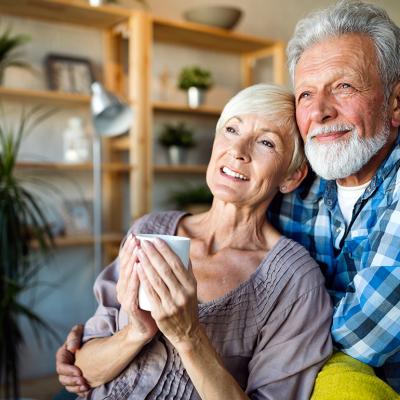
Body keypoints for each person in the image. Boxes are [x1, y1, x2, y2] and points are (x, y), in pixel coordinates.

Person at [56, 84, 332, 399]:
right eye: (231, 130)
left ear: (291, 176)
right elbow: (83, 372)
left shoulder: (296, 282)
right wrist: (136, 332)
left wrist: (189, 336)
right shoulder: (150, 229)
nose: (238, 150)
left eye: (266, 142)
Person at [268, 0, 400, 395]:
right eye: (306, 94)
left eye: (343, 86)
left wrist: (256, 317)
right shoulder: (294, 180)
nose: (320, 111)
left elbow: (363, 333)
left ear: (395, 102)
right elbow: (223, 256)